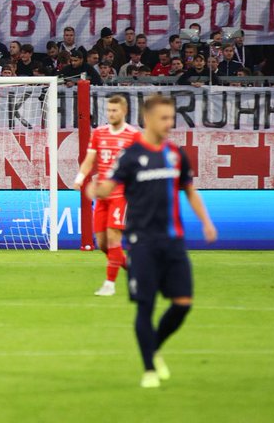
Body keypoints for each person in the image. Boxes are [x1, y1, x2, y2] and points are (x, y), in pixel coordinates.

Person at [91, 94, 218, 389]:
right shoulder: (131, 155)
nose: (169, 123)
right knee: (145, 308)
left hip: (174, 242)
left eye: (171, 118)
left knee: (183, 303)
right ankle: (149, 368)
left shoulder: (176, 153)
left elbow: (189, 189)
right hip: (142, 243)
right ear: (148, 119)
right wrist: (95, 191)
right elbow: (109, 185)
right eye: (163, 118)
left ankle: (154, 346)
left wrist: (206, 221)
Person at [75, 95, 139, 296]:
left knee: (113, 238)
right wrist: (80, 178)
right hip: (102, 194)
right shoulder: (99, 133)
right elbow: (89, 159)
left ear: (124, 111)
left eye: (115, 110)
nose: (111, 114)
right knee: (102, 244)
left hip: (121, 194)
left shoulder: (133, 136)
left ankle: (109, 284)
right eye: (109, 110)